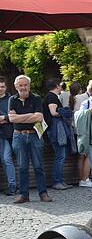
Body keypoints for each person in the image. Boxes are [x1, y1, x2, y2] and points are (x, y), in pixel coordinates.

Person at [8, 75, 51, 203]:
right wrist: (30, 115)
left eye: (25, 85)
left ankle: (43, 193)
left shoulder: (36, 98)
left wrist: (20, 116)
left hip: (34, 135)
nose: (23, 87)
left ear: (29, 86)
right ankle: (23, 195)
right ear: (16, 87)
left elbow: (39, 117)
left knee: (38, 166)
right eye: (20, 85)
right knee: (22, 166)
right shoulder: (12, 99)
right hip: (18, 135)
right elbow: (11, 119)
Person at [42, 78, 72, 190]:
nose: (61, 87)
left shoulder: (51, 96)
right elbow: (53, 112)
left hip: (54, 129)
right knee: (60, 155)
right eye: (60, 85)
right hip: (55, 130)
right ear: (56, 85)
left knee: (61, 155)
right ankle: (57, 181)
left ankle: (60, 180)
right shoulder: (52, 97)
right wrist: (64, 112)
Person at [72, 82, 92, 188]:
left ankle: (81, 178)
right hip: (85, 129)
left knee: (81, 156)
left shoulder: (75, 98)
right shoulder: (85, 99)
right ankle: (85, 179)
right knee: (88, 155)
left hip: (76, 129)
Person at [0, 77, 17, 196]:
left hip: (7, 134)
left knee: (6, 159)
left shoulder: (11, 99)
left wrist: (4, 118)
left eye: (2, 86)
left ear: (6, 87)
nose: (0, 89)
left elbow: (15, 116)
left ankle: (12, 186)